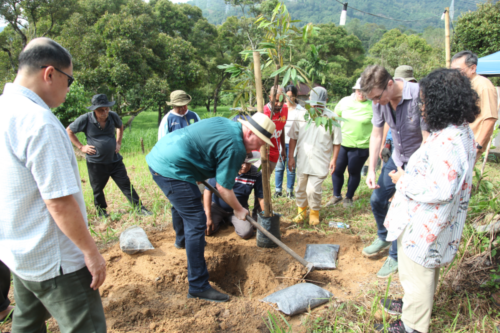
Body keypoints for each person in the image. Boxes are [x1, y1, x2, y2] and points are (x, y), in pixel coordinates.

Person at [0, 37, 106, 332]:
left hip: (19, 252)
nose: (69, 87)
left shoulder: (4, 108)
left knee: (27, 323)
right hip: (57, 259)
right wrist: (91, 253)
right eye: (68, 79)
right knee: (87, 326)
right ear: (49, 74)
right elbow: (58, 202)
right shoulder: (39, 122)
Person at [375, 68, 478, 333]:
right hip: (431, 220)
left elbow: (441, 188)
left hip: (425, 222)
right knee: (424, 270)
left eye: (424, 101)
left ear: (441, 102)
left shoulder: (449, 141)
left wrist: (403, 181)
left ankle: (412, 326)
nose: (421, 107)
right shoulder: (456, 131)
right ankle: (413, 307)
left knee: (417, 274)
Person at [146, 113, 275, 302]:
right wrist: (239, 209)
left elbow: (203, 144)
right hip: (171, 167)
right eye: (261, 141)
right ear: (249, 134)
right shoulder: (236, 147)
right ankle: (198, 286)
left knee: (186, 205)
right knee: (197, 220)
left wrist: (199, 168)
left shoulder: (225, 123)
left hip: (165, 153)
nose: (260, 147)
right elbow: (223, 188)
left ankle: (183, 241)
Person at [360, 65, 430, 279]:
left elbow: (428, 139)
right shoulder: (379, 101)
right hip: (397, 158)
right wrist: (372, 169)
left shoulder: (421, 96)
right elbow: (376, 134)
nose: (375, 102)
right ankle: (383, 236)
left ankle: (395, 256)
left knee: (400, 208)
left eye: (377, 97)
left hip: (418, 161)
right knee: (377, 200)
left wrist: (414, 175)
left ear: (390, 83)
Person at [67, 94, 152, 218]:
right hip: (96, 163)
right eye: (101, 110)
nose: (105, 112)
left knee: (126, 184)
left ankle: (140, 208)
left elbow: (120, 126)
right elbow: (68, 131)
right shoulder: (85, 119)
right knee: (97, 189)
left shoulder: (113, 116)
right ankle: (102, 212)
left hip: (114, 161)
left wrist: (118, 143)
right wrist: (81, 147)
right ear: (94, 110)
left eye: (106, 109)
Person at [288, 87, 342, 225]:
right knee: (300, 187)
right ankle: (301, 212)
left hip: (320, 160)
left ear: (326, 102)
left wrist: (334, 159)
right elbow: (293, 137)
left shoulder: (332, 117)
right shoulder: (301, 115)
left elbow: (337, 142)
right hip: (303, 159)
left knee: (313, 190)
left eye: (319, 104)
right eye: (313, 104)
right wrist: (291, 157)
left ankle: (314, 212)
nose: (315, 107)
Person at [327, 78, 373, 208]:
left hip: (361, 146)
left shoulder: (373, 105)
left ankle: (349, 197)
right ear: (355, 90)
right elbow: (335, 118)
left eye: (365, 91)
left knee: (353, 171)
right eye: (359, 90)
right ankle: (336, 195)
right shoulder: (345, 101)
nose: (362, 93)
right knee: (337, 170)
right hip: (342, 143)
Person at [451, 50, 498, 163]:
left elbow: (490, 118)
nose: (454, 75)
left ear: (473, 68)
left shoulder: (483, 85)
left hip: (471, 145)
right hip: (458, 143)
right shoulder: (462, 85)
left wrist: (478, 146)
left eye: (458, 70)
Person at [204, 152, 263, 239]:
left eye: (248, 163)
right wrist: (208, 216)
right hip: (218, 207)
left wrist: (266, 218)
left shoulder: (256, 174)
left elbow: (261, 197)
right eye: (242, 162)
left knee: (246, 233)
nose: (245, 166)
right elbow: (207, 191)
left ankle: (230, 220)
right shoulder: (223, 169)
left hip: (240, 208)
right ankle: (222, 220)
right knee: (205, 229)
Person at [380, 66, 417, 164]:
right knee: (386, 174)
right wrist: (383, 143)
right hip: (391, 142)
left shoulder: (416, 96)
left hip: (410, 146)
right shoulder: (389, 96)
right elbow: (388, 122)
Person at [274, 85, 304, 198]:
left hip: (294, 143)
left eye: (291, 96)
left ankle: (290, 191)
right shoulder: (280, 108)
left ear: (295, 96)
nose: (289, 98)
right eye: (287, 96)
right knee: (279, 167)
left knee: (291, 168)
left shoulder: (301, 110)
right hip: (280, 141)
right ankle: (278, 190)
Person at [264, 85, 288, 174]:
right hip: (262, 153)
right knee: (261, 181)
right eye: (276, 101)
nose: (279, 104)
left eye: (282, 101)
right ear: (270, 98)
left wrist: (283, 148)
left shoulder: (285, 109)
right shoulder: (264, 112)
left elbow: (281, 128)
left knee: (267, 180)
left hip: (275, 153)